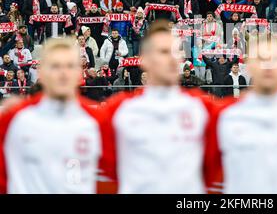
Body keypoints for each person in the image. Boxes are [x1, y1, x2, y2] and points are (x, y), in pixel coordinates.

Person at [104, 20, 219, 193]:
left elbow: (212, 167)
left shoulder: (203, 109)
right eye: (164, 52)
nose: (172, 58)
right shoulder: (119, 111)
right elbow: (109, 169)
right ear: (146, 59)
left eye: (176, 51)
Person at [0, 38, 114, 193]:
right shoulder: (14, 119)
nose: (63, 72)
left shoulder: (99, 120)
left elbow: (112, 177)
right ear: (41, 71)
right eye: (55, 66)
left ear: (79, 72)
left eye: (69, 66)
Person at [211, 36, 277, 193]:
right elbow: (213, 176)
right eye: (261, 59)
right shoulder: (225, 115)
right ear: (248, 66)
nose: (268, 66)